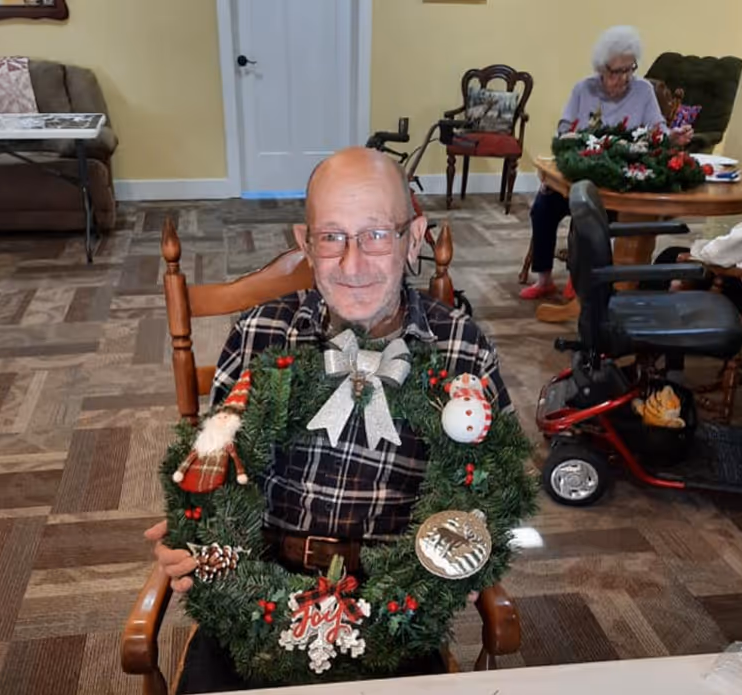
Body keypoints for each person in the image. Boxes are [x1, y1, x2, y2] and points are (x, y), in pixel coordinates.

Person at [144, 147, 513, 693]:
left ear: (414, 239)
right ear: (305, 243)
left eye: (377, 235)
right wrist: (192, 532)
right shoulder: (261, 334)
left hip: (395, 602)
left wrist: (465, 554)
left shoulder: (460, 349)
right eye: (332, 236)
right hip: (258, 592)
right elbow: (215, 462)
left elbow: (493, 490)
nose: (353, 262)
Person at [520, 25, 695, 300]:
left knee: (588, 217)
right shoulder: (583, 90)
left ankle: (583, 281)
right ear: (602, 68)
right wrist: (571, 141)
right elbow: (564, 127)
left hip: (621, 187)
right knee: (542, 208)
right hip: (579, 179)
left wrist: (673, 137)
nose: (624, 78)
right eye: (617, 71)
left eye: (630, 69)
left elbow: (657, 130)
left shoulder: (643, 91)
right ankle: (544, 278)